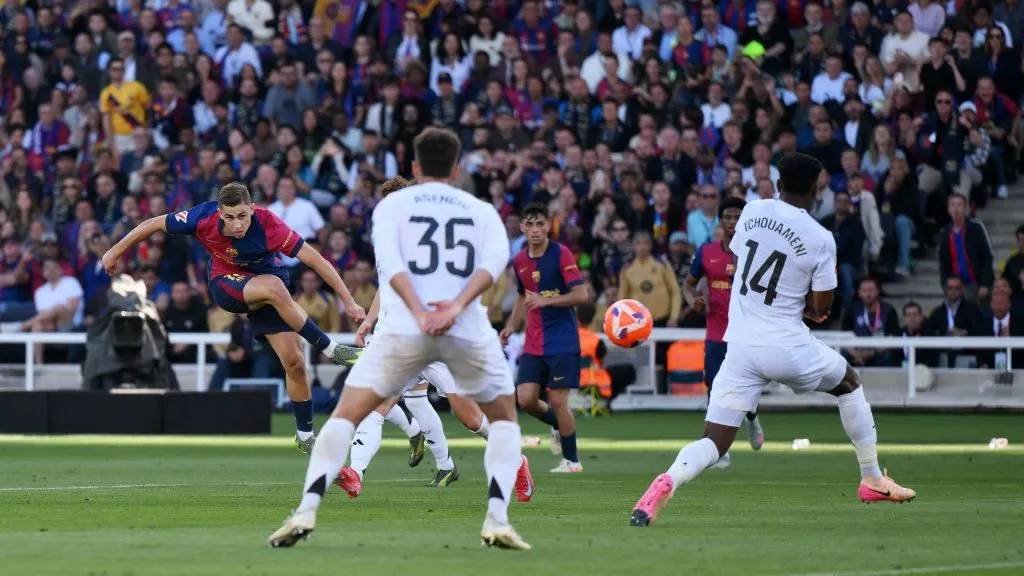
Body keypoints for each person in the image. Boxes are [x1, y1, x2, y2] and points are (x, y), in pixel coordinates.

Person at [268, 128, 530, 551]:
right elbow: (495, 265)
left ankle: (306, 511)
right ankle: (497, 520)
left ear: (414, 167)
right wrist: (453, 306)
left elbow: (393, 269)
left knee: (347, 416)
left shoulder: (393, 209)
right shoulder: (481, 210)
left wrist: (421, 312)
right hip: (462, 327)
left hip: (408, 328)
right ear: (457, 169)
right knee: (502, 422)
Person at [630, 153, 917, 528]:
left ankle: (669, 478)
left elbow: (741, 264)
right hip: (787, 346)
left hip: (739, 348)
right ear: (816, 190)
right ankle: (872, 479)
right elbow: (822, 306)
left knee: (714, 441)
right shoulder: (821, 237)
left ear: (779, 184)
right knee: (849, 383)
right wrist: (809, 306)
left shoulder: (751, 211)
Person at [101, 182, 366, 453]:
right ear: (219, 213)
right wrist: (115, 250)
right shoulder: (202, 217)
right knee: (276, 288)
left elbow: (317, 260)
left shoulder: (270, 225)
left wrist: (348, 301)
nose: (237, 224)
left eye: (242, 216)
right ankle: (333, 350)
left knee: (295, 361)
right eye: (229, 217)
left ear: (252, 209)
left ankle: (305, 436)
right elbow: (155, 223)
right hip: (227, 283)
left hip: (268, 286)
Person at [500, 202, 590, 473]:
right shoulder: (519, 260)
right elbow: (522, 295)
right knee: (525, 399)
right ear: (522, 227)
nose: (536, 230)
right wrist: (511, 326)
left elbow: (581, 295)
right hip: (534, 341)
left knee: (559, 401)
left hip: (562, 339)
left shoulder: (561, 254)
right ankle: (557, 425)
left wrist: (545, 300)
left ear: (548, 225)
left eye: (541, 224)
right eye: (530, 224)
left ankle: (571, 461)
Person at [682, 195, 764, 470]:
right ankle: (717, 449)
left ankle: (752, 417)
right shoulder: (706, 252)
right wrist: (692, 299)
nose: (732, 223)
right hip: (717, 331)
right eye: (727, 217)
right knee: (715, 387)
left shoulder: (757, 253)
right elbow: (688, 283)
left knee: (747, 386)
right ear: (720, 221)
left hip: (747, 331)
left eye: (738, 217)